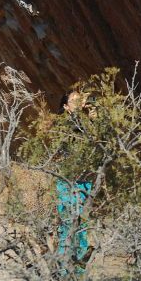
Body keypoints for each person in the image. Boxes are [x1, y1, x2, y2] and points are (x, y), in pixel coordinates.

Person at [56, 91, 93, 271]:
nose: (78, 103)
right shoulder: (64, 124)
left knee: (82, 225)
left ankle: (78, 272)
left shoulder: (87, 122)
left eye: (80, 99)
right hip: (68, 179)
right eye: (74, 100)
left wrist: (93, 117)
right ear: (65, 107)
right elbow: (71, 140)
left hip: (85, 178)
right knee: (68, 222)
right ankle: (64, 269)